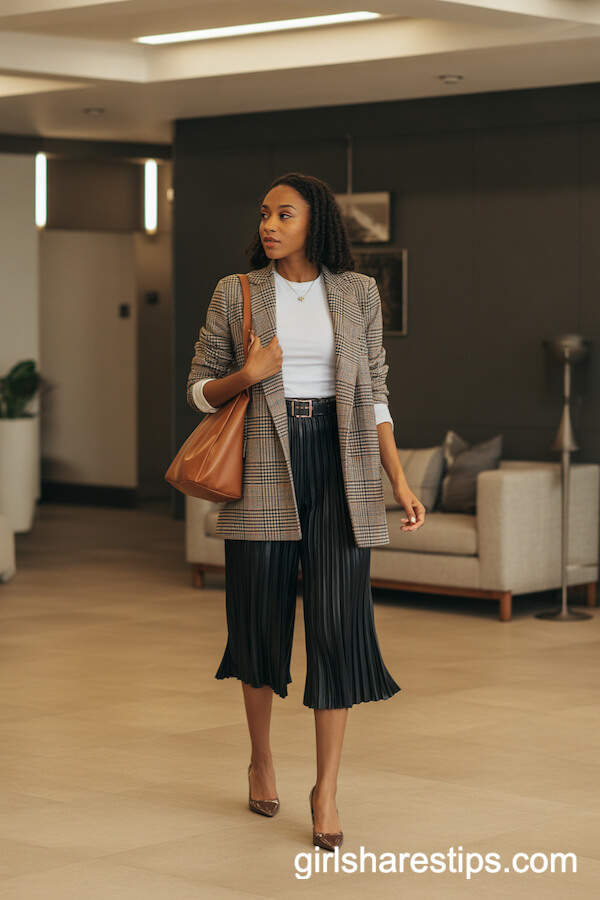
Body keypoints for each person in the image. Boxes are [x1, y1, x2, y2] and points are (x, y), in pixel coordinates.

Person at [186, 172, 426, 851]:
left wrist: (400, 480)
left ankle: (327, 790)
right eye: (263, 213)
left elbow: (375, 392)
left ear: (313, 221)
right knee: (258, 619)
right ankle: (261, 758)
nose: (268, 224)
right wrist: (248, 375)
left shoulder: (357, 293)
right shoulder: (236, 292)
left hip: (341, 462)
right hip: (263, 459)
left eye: (282, 214)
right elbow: (200, 389)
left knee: (338, 625)